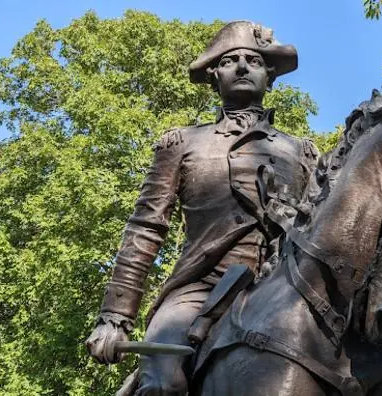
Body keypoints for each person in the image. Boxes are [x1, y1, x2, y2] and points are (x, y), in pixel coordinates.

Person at [85, 21, 319, 395]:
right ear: (215, 75)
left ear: (269, 76)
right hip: (201, 287)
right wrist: (115, 318)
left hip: (285, 288)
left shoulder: (302, 152)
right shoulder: (182, 144)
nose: (243, 67)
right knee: (162, 383)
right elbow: (146, 228)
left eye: (254, 61)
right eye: (231, 60)